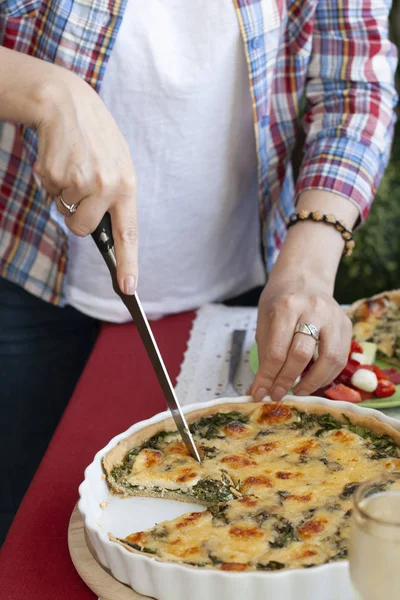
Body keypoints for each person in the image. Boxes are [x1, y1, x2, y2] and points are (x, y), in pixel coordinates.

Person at [0, 0, 397, 543]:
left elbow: (356, 86)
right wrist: (44, 91)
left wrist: (307, 265)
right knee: (16, 517)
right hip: (26, 266)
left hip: (252, 285)